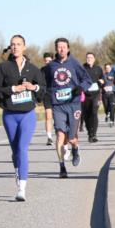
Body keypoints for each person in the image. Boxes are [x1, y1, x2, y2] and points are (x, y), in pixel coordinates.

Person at [0, 35, 45, 201]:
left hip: (28, 114)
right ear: (10, 47)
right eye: (13, 45)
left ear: (24, 47)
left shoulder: (33, 69)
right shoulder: (3, 67)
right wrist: (13, 89)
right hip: (10, 114)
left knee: (23, 148)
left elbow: (43, 88)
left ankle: (22, 188)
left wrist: (34, 86)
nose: (15, 47)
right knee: (15, 150)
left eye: (18, 44)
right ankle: (17, 169)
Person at [43, 39, 90, 179]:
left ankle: (75, 149)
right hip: (58, 105)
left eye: (64, 47)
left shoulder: (74, 63)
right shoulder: (50, 66)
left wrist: (81, 88)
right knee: (60, 136)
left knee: (72, 139)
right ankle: (62, 166)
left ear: (68, 48)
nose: (62, 49)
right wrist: (43, 95)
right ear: (56, 49)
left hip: (74, 104)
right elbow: (45, 84)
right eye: (59, 47)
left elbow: (87, 79)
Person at [81, 52, 104, 143]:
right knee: (86, 115)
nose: (89, 59)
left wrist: (101, 82)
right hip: (86, 95)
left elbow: (103, 79)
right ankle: (89, 133)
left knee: (94, 112)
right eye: (87, 57)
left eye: (91, 57)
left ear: (94, 59)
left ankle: (94, 134)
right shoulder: (82, 69)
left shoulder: (98, 69)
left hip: (96, 94)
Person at [42, 52, 55, 146]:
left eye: (49, 60)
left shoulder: (57, 68)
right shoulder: (42, 70)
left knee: (58, 116)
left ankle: (61, 134)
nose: (47, 62)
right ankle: (49, 137)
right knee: (48, 115)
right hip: (46, 95)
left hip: (57, 95)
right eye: (46, 60)